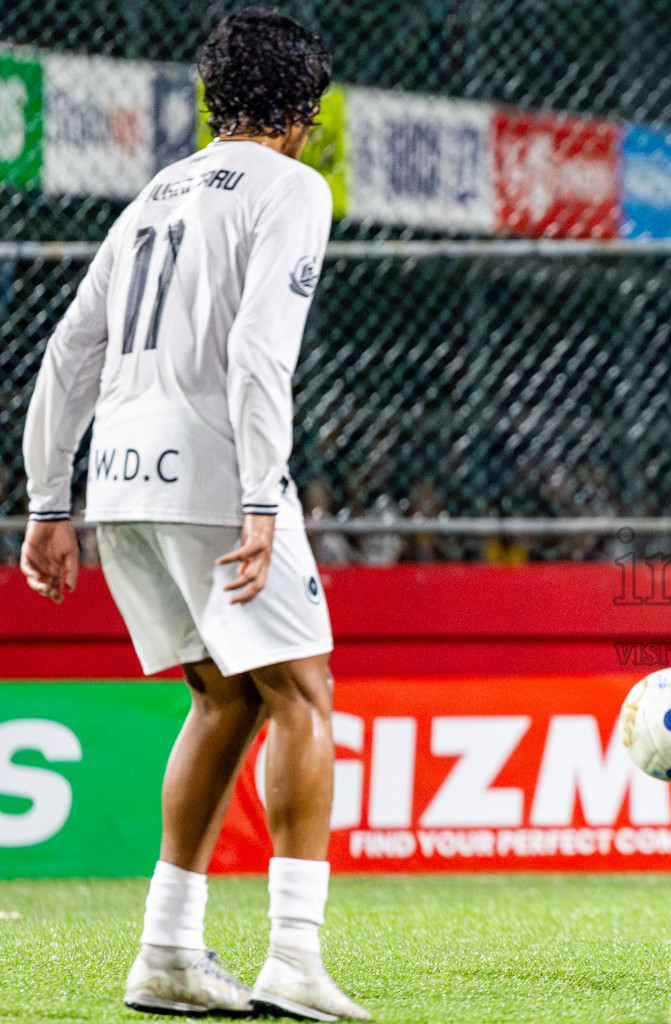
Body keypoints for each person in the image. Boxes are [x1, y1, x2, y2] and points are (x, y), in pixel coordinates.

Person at [19, 9, 368, 1020]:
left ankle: (168, 948)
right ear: (302, 111)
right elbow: (261, 347)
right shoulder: (293, 186)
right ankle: (294, 956)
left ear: (216, 97)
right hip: (213, 466)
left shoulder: (153, 195)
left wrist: (50, 500)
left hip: (120, 474)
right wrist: (263, 494)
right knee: (304, 693)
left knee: (223, 698)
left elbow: (68, 351)